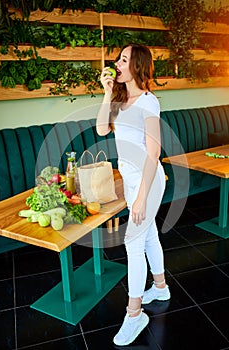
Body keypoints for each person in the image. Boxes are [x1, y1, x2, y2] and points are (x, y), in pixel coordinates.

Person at [96, 43, 170, 347]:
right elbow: (102, 129)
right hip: (131, 179)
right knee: (148, 234)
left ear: (137, 65)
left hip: (147, 182)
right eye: (118, 59)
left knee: (132, 242)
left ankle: (135, 312)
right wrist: (106, 90)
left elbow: (153, 152)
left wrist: (140, 197)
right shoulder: (121, 99)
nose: (118, 63)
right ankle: (161, 287)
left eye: (124, 59)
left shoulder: (148, 103)